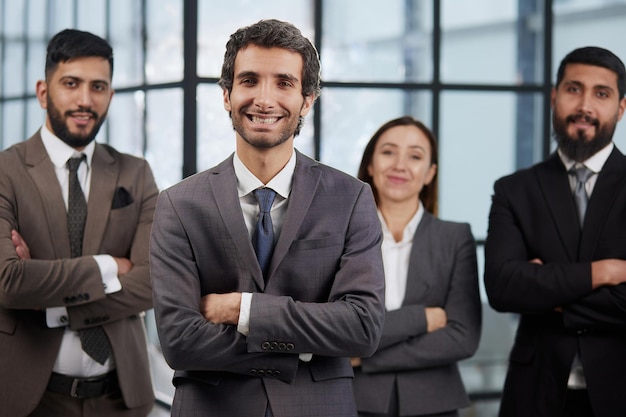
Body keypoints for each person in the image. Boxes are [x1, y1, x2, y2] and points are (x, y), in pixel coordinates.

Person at [149, 19, 385, 417]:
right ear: (226, 95)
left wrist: (243, 310)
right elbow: (179, 340)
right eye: (249, 80)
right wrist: (303, 350)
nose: (264, 99)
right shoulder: (178, 205)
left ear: (307, 100)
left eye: (283, 83)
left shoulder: (351, 198)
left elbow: (362, 326)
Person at [0, 29, 158, 417]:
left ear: (110, 96)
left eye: (98, 87)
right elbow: (8, 282)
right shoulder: (4, 172)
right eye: (71, 84)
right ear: (42, 91)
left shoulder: (135, 174)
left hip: (121, 398)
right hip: (30, 398)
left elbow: (155, 281)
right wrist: (109, 266)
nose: (85, 100)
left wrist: (50, 306)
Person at [484, 46, 626, 417]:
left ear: (621, 108)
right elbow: (502, 286)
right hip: (535, 394)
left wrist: (548, 290)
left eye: (602, 93)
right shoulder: (514, 190)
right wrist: (604, 273)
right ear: (554, 97)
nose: (585, 106)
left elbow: (524, 285)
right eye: (573, 89)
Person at [351, 116, 482, 417]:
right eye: (388, 152)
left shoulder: (455, 237)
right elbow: (342, 329)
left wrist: (363, 358)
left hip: (434, 403)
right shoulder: (340, 236)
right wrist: (419, 319)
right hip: (355, 401)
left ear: (429, 173)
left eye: (415, 156)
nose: (400, 165)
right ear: (370, 165)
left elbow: (462, 337)